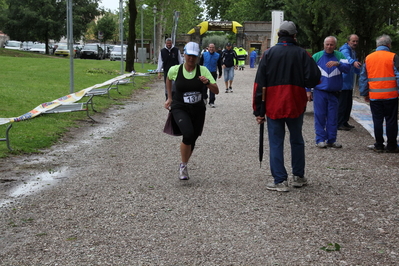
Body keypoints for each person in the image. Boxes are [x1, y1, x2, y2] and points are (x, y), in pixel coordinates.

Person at [253, 21, 321, 192]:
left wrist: (258, 111)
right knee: (297, 140)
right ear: (294, 36)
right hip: (295, 103)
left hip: (274, 105)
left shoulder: (268, 54)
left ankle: (280, 180)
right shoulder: (303, 54)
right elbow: (314, 78)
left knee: (276, 142)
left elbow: (259, 84)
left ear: (279, 35)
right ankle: (298, 176)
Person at [164, 42, 219, 180]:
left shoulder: (203, 71)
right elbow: (168, 79)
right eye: (189, 55)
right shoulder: (175, 69)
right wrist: (169, 97)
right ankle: (183, 166)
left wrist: (206, 83)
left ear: (198, 57)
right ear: (184, 55)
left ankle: (185, 163)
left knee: (193, 138)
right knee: (187, 134)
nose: (191, 59)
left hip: (198, 109)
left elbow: (216, 90)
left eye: (194, 56)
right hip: (180, 107)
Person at [359, 34, 399, 153]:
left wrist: (365, 93)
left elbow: (363, 78)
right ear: (388, 45)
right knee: (391, 120)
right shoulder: (393, 57)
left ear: (377, 45)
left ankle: (379, 145)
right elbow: (398, 76)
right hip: (391, 95)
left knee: (377, 120)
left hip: (375, 96)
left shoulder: (369, 58)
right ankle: (391, 145)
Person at [309, 36, 350, 149]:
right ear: (324, 44)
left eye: (331, 44)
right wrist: (308, 90)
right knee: (320, 116)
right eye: (327, 44)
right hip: (319, 91)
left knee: (333, 117)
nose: (329, 46)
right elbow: (308, 73)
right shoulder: (317, 56)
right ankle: (320, 139)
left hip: (334, 92)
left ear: (335, 45)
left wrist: (338, 64)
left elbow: (347, 68)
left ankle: (331, 139)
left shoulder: (340, 56)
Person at [338, 34, 362, 131]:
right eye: (353, 41)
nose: (355, 43)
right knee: (342, 104)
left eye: (356, 41)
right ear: (348, 41)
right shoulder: (345, 50)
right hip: (343, 82)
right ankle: (339, 123)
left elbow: (354, 66)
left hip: (348, 82)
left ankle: (344, 121)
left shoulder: (353, 51)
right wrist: (353, 62)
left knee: (348, 104)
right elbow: (347, 58)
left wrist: (360, 71)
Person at [200, 43, 222, 108]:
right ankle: (204, 98)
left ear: (214, 48)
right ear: (208, 48)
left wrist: (220, 73)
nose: (211, 49)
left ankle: (212, 101)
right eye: (210, 47)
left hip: (213, 73)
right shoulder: (204, 54)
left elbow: (219, 65)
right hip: (205, 73)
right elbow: (200, 64)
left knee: (212, 87)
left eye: (212, 47)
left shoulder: (217, 55)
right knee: (204, 87)